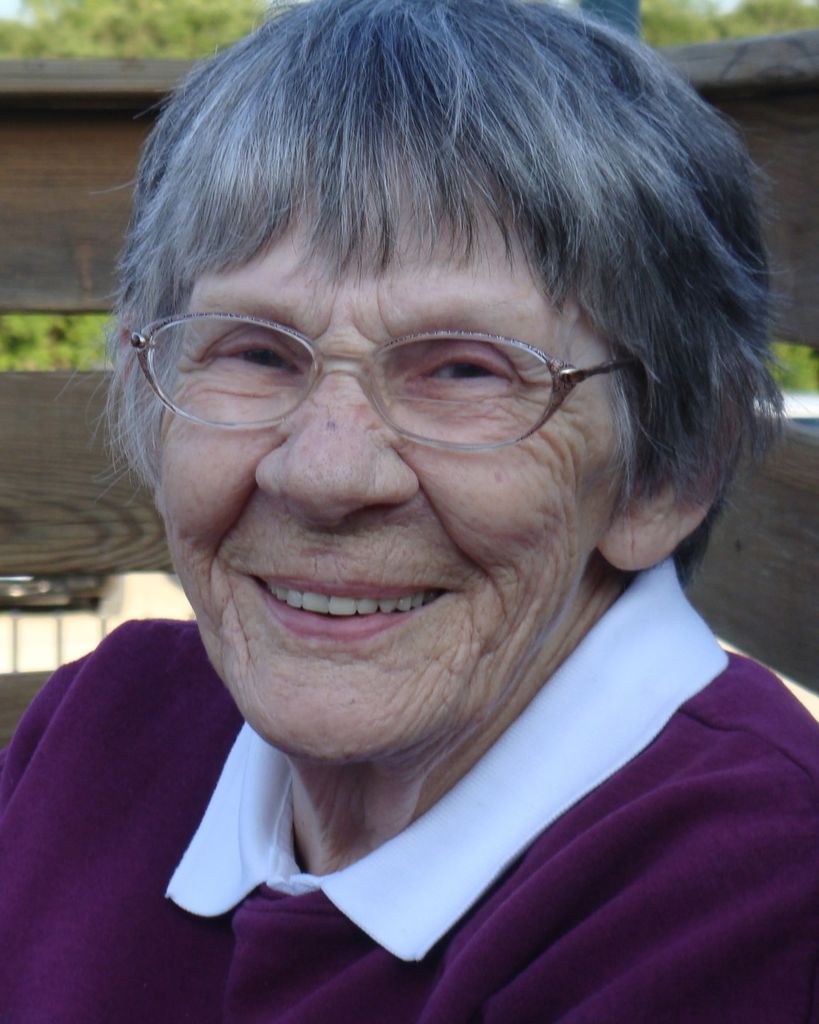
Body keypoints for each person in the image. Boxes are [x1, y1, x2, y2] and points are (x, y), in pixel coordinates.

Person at [1, 0, 817, 1020]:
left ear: (671, 469)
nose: (325, 472)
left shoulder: (756, 909)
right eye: (255, 352)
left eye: (465, 370)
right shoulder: (107, 725)